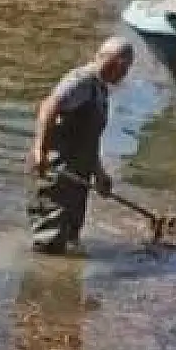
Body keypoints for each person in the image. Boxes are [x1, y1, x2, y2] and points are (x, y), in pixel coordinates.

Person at [26, 37, 135, 254]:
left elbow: (86, 139)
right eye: (126, 68)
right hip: (59, 173)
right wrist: (41, 151)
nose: (125, 75)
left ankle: (65, 284)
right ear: (117, 64)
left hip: (78, 178)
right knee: (48, 241)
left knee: (70, 240)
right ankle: (40, 282)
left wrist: (99, 173)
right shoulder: (81, 81)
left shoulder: (100, 89)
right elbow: (48, 107)